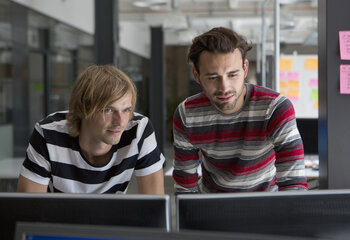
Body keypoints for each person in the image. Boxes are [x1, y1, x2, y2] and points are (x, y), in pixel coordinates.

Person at [173, 27, 308, 193]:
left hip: (266, 203)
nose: (224, 87)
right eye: (213, 77)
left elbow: (293, 183)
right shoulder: (187, 114)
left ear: (245, 68)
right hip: (211, 205)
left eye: (232, 74)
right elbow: (185, 186)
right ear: (196, 75)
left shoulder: (275, 108)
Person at [17, 65, 165, 194]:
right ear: (83, 109)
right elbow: (28, 211)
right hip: (59, 224)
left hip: (113, 224)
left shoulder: (138, 130)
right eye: (108, 110)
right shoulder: (48, 134)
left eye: (126, 110)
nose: (120, 122)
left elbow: (155, 209)